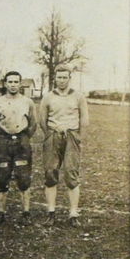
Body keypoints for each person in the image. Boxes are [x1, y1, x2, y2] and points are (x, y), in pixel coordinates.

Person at [39, 68, 89, 224]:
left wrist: (79, 137)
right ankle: (51, 213)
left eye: (64, 77)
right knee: (50, 173)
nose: (61, 80)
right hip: (53, 136)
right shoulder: (47, 97)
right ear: (55, 78)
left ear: (69, 78)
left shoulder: (78, 96)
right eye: (59, 77)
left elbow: (84, 119)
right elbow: (42, 119)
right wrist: (50, 134)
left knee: (71, 174)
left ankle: (73, 214)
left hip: (71, 136)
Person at [0, 71, 39, 223]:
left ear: (20, 83)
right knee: (2, 177)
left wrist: (23, 138)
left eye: (16, 82)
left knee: (23, 178)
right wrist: (2, 138)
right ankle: (1, 213)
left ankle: (26, 213)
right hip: (3, 143)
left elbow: (33, 124)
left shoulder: (28, 102)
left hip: (22, 142)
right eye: (10, 82)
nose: (13, 85)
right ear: (5, 83)